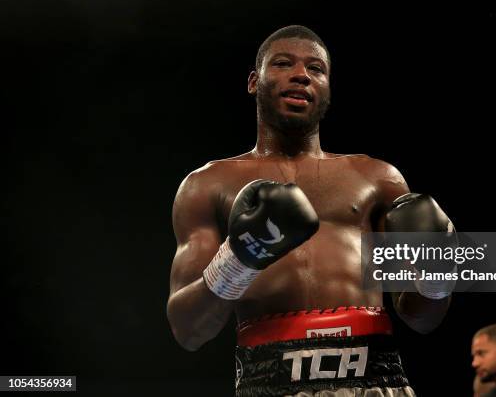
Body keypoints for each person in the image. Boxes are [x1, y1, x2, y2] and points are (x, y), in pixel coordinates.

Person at [167, 25, 454, 397]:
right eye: (284, 63)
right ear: (254, 81)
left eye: (316, 69)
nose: (301, 74)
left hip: (376, 380)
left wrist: (438, 268)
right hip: (269, 380)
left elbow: (422, 318)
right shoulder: (208, 184)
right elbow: (188, 330)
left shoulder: (378, 179)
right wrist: (239, 259)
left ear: (328, 88)